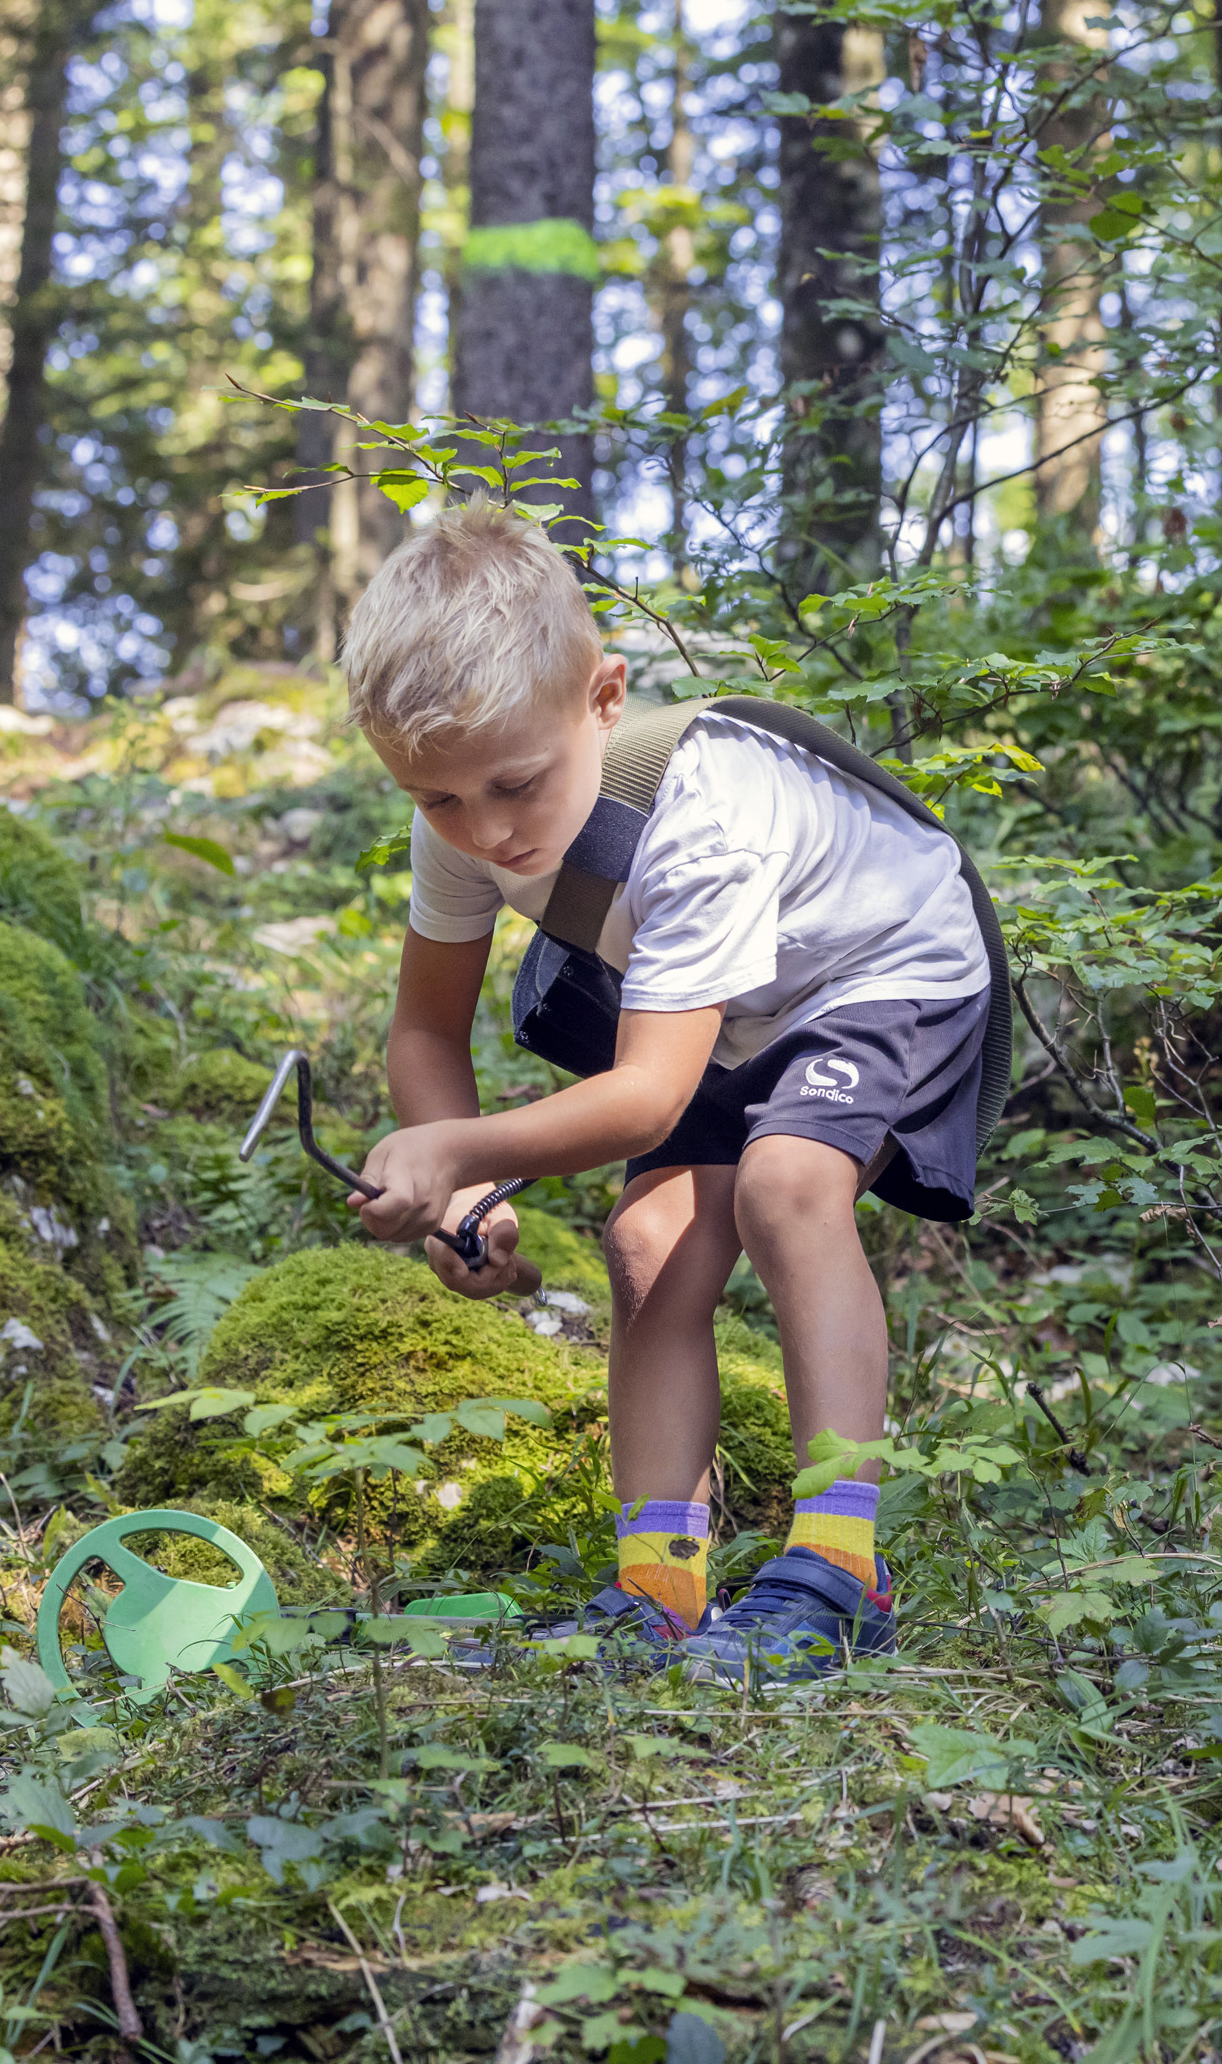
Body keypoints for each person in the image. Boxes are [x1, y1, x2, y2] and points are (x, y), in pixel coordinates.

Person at [335, 508, 991, 1683]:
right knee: (645, 1242)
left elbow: (643, 1100)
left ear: (601, 698)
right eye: (438, 802)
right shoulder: (462, 820)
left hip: (883, 964)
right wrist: (467, 1188)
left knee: (788, 1186)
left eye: (515, 786)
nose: (486, 831)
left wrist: (452, 1146)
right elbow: (427, 1028)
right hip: (728, 1005)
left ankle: (840, 1572)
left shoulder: (702, 821)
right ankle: (660, 1588)